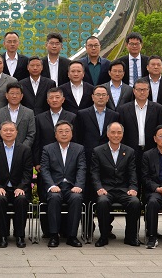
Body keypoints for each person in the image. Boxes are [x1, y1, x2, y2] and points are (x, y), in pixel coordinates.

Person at [33, 88, 77, 237]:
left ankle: (65, 231)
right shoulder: (40, 118)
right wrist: (37, 162)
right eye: (51, 98)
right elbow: (37, 141)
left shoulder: (72, 116)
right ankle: (48, 231)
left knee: (67, 197)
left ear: (63, 99)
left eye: (57, 97)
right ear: (47, 101)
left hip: (67, 163)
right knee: (48, 196)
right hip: (46, 163)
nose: (54, 100)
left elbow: (76, 140)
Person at [90, 122, 140, 247]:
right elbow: (94, 173)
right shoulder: (98, 151)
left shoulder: (129, 151)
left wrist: (133, 188)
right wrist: (99, 188)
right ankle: (104, 236)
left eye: (119, 133)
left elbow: (132, 173)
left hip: (123, 190)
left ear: (122, 134)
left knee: (134, 202)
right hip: (106, 189)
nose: (116, 135)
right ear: (107, 134)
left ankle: (130, 237)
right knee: (102, 202)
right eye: (113, 132)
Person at [0, 121, 33, 248]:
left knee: (21, 199)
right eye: (5, 130)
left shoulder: (25, 150)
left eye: (11, 130)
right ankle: (3, 235)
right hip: (0, 188)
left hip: (19, 188)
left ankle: (20, 236)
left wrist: (21, 187)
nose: (8, 132)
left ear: (16, 132)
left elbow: (28, 173)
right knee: (0, 199)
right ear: (0, 132)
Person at [40, 120, 86, 248]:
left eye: (67, 131)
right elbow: (44, 170)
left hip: (72, 187)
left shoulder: (79, 149)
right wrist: (51, 186)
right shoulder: (48, 149)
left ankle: (72, 236)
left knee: (77, 198)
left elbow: (82, 169)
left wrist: (78, 185)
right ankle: (54, 235)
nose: (64, 134)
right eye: (60, 131)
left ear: (72, 133)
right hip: (55, 186)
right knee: (54, 198)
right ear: (55, 135)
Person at [117, 78, 162, 172]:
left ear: (149, 91)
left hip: (151, 150)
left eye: (145, 89)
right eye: (139, 89)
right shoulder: (123, 109)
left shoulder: (158, 108)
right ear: (134, 91)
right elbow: (122, 132)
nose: (142, 92)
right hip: (130, 150)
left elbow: (160, 130)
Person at [75, 85, 120, 166]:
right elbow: (78, 136)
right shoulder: (82, 114)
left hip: (108, 155)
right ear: (92, 97)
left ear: (107, 98)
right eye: (98, 95)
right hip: (88, 154)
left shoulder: (114, 115)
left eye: (103, 95)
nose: (101, 97)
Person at [0, 83, 36, 148]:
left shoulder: (29, 112)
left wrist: (22, 149)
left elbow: (31, 134)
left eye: (17, 93)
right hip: (3, 150)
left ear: (21, 96)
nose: (14, 96)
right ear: (6, 95)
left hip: (23, 150)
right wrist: (2, 150)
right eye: (12, 93)